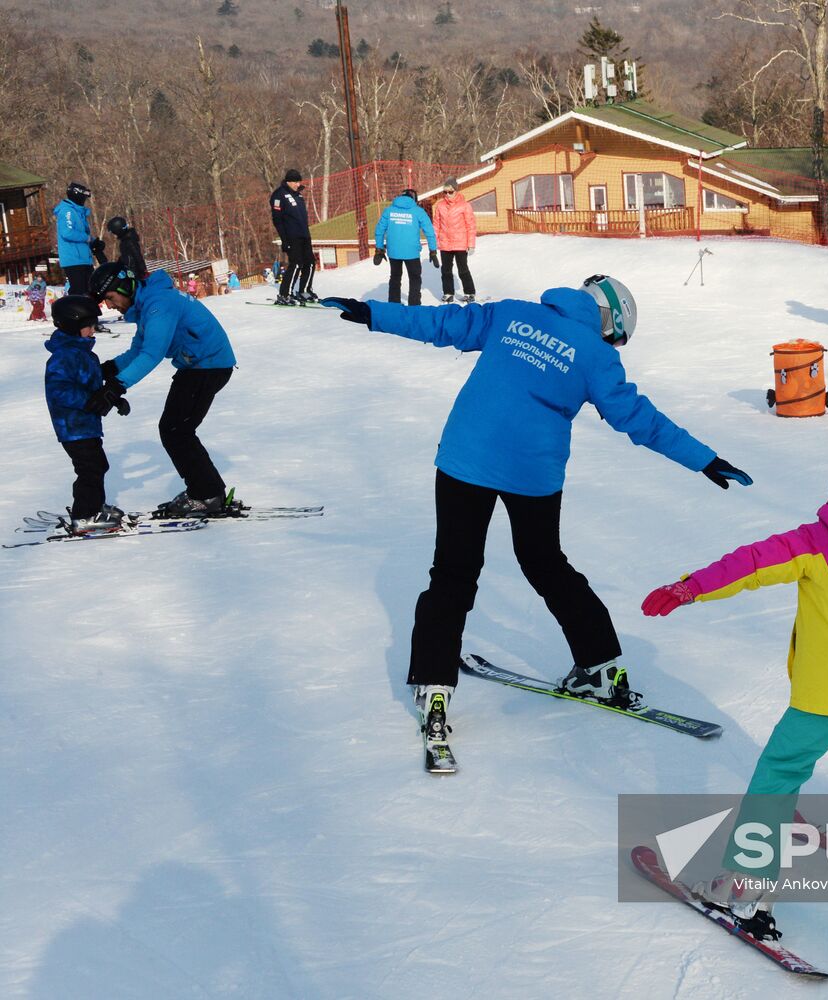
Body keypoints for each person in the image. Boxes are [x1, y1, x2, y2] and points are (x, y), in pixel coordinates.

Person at [320, 276, 753, 759]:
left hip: (467, 458)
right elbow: (640, 419)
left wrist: (376, 313)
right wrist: (704, 459)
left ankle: (433, 687)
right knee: (545, 563)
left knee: (453, 573)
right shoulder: (596, 356)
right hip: (532, 471)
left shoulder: (513, 313)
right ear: (609, 324)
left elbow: (441, 322)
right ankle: (601, 667)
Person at [641, 438, 828, 939]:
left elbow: (751, 563)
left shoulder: (815, 540)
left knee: (780, 772)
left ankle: (744, 885)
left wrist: (689, 586)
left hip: (824, 695)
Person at [89, 262, 237, 515]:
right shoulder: (149, 303)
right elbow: (138, 350)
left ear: (126, 287)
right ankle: (207, 491)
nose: (110, 306)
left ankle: (206, 494)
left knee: (176, 430)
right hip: (198, 365)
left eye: (110, 298)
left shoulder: (159, 305)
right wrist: (106, 370)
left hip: (208, 366)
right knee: (176, 429)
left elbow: (152, 354)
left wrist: (116, 387)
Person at [44, 294, 131, 535]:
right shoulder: (64, 357)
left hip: (86, 424)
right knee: (90, 468)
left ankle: (94, 505)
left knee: (97, 465)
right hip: (72, 426)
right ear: (73, 325)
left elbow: (91, 389)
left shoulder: (82, 353)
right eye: (89, 325)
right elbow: (60, 391)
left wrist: (113, 399)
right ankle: (84, 515)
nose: (93, 330)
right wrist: (90, 402)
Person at [373, 188, 438, 306]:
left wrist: (379, 248)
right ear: (414, 200)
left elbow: (379, 230)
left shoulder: (389, 211)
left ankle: (394, 306)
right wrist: (433, 250)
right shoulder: (418, 211)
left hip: (394, 251)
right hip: (412, 252)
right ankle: (414, 306)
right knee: (415, 278)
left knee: (395, 277)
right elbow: (429, 232)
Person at [270, 169, 316, 305]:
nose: (298, 184)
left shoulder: (298, 195)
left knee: (310, 263)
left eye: (299, 181)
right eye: (296, 182)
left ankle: (304, 290)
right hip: (291, 236)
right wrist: (285, 240)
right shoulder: (279, 195)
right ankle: (285, 294)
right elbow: (277, 220)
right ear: (289, 181)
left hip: (304, 234)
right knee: (296, 264)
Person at [54, 182, 107, 299]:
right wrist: (87, 238)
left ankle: (89, 314)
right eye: (84, 197)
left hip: (83, 259)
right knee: (79, 292)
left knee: (91, 290)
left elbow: (82, 233)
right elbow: (67, 233)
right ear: (77, 195)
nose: (84, 200)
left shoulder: (78, 212)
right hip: (73, 259)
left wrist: (94, 242)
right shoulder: (67, 211)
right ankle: (76, 314)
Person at [433, 177, 477, 304]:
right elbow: (436, 225)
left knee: (463, 269)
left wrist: (471, 244)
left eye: (450, 192)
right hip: (445, 243)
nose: (448, 195)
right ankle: (448, 293)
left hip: (460, 243)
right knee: (446, 270)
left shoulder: (465, 206)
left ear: (456, 191)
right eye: (445, 192)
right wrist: (434, 242)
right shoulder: (440, 206)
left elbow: (470, 225)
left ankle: (469, 292)